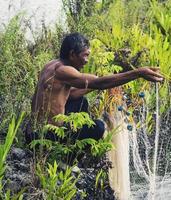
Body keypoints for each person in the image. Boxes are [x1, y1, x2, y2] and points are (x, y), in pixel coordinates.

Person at [25, 32, 163, 143]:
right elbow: (99, 83)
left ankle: (67, 142)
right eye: (85, 55)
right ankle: (67, 160)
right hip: (44, 136)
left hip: (33, 132)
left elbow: (70, 95)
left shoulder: (51, 65)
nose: (87, 60)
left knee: (80, 101)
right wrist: (138, 73)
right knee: (98, 127)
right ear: (72, 54)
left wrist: (96, 85)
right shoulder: (63, 70)